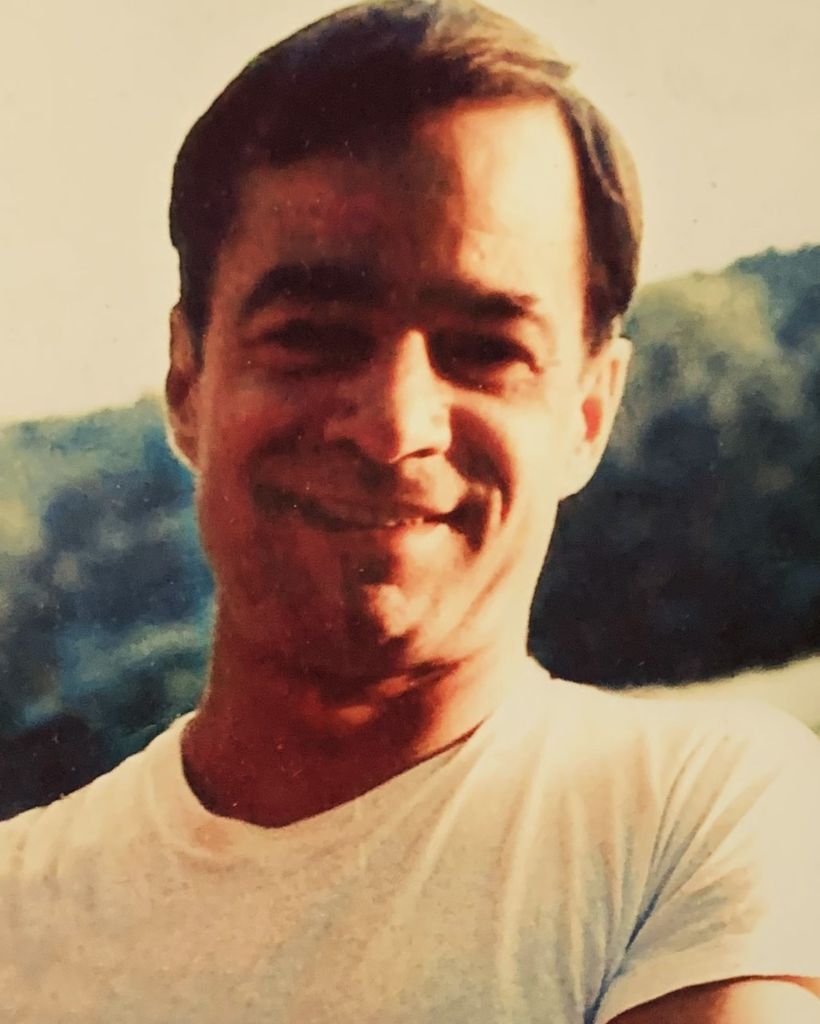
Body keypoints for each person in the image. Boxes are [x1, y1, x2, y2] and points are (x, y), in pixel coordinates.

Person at [2, 2, 819, 1021]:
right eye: (312, 334)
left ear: (587, 414)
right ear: (186, 381)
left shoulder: (698, 817)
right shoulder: (16, 910)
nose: (394, 426)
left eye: (485, 350)